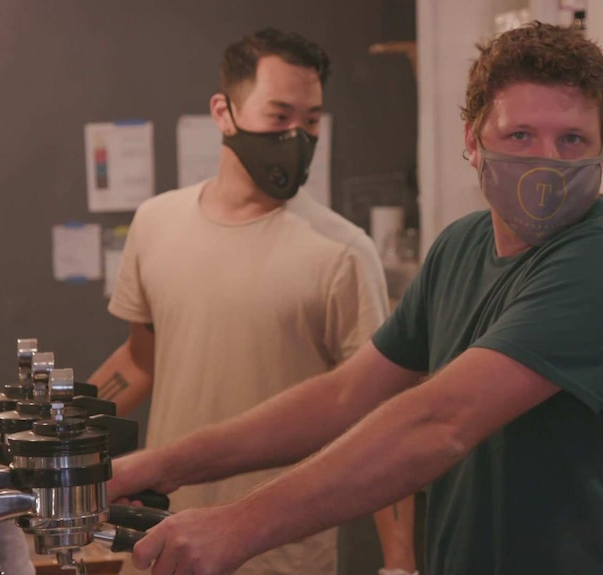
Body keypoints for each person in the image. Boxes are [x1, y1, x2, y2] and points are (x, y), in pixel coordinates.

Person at [106, 21, 603, 575]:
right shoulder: (461, 248)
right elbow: (343, 397)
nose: (547, 160)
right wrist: (156, 465)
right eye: (520, 134)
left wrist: (235, 527)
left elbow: (438, 423)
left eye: (572, 139)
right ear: (473, 138)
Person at [89, 28, 417, 575]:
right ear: (224, 112)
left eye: (311, 120)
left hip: (283, 555)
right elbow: (140, 361)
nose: (297, 134)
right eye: (279, 114)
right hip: (158, 543)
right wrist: (50, 441)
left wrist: (400, 562)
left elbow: (379, 412)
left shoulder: (343, 252)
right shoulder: (155, 223)